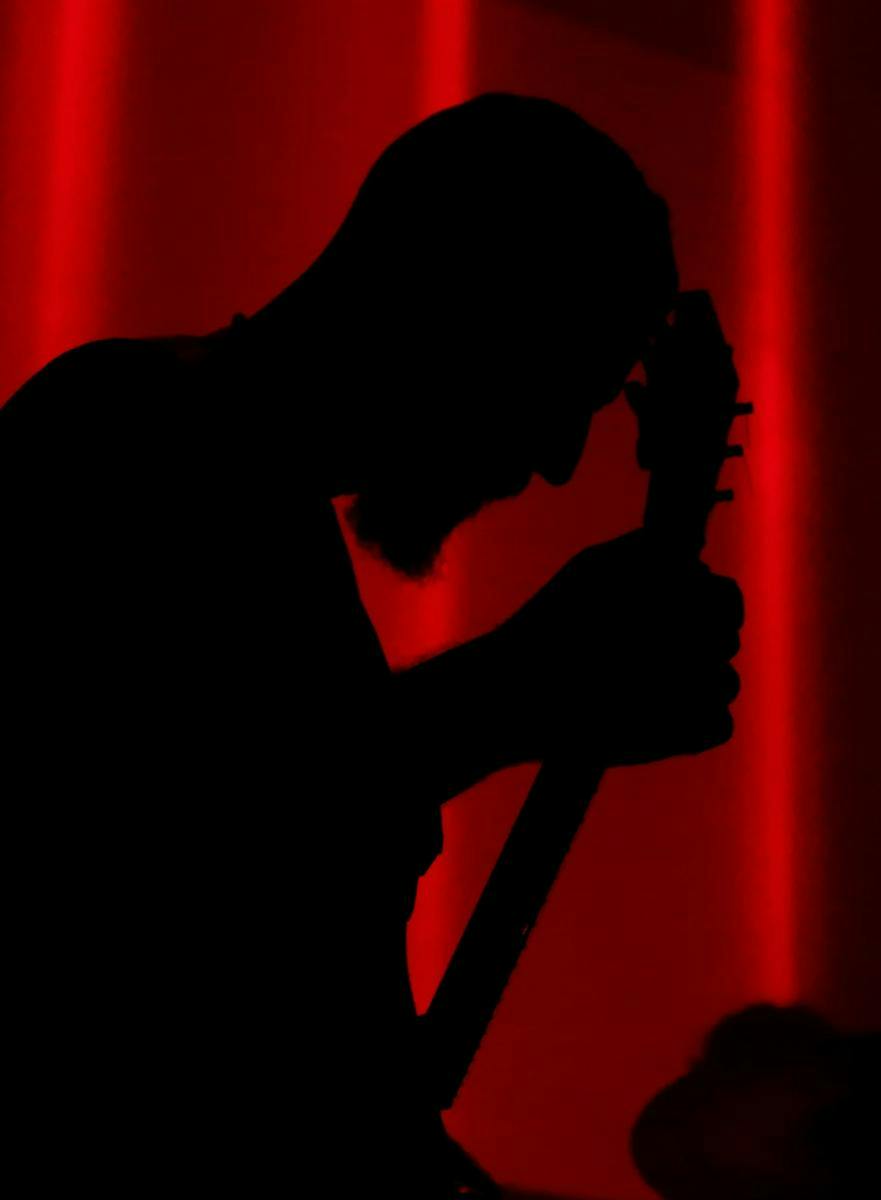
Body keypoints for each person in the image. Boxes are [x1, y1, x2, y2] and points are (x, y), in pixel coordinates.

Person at [0, 93, 743, 1192]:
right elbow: (129, 867)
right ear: (458, 308)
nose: (556, 461)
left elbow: (286, 1013)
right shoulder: (114, 437)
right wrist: (513, 690)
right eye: (558, 389)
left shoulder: (258, 512)